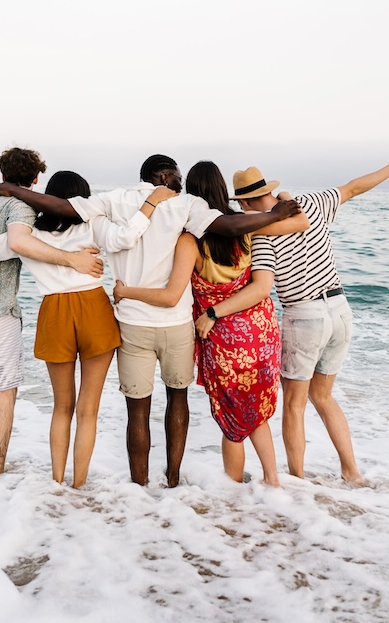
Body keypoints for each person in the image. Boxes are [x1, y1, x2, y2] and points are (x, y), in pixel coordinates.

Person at [0, 154, 305, 487]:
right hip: (174, 322)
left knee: (129, 410)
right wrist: (275, 214)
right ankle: (170, 480)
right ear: (165, 175)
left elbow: (63, 210)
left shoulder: (114, 201)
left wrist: (14, 190)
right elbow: (228, 226)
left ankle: (130, 486)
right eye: (177, 174)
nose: (181, 179)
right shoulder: (186, 204)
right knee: (173, 400)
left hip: (127, 323)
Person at [0, 171, 176, 487]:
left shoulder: (29, 234)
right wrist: (151, 201)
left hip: (55, 315)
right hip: (94, 312)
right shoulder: (92, 225)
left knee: (61, 408)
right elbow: (126, 236)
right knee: (88, 410)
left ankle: (57, 483)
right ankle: (79, 485)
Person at [224, 152, 389, 484]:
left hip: (304, 315)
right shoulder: (310, 204)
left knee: (295, 405)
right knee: (324, 396)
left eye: (242, 205)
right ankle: (351, 472)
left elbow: (263, 286)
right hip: (341, 311)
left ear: (250, 202)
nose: (242, 212)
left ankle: (296, 479)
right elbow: (353, 188)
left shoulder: (262, 234)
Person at [112, 161, 309, 487]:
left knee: (234, 419)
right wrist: (281, 201)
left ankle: (232, 495)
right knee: (256, 411)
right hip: (261, 331)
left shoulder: (189, 238)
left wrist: (126, 289)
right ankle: (272, 482)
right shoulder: (247, 225)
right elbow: (299, 223)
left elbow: (173, 292)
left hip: (223, 338)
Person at [0, 148, 103, 474]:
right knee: (3, 397)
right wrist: (72, 258)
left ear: (1, 173)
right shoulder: (22, 207)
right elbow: (21, 243)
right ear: (36, 178)